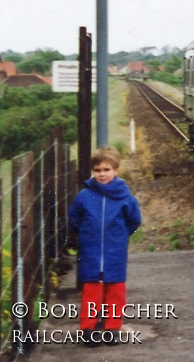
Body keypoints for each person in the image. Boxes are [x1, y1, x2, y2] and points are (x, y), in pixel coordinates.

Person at [69, 147, 141, 347]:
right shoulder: (84, 196)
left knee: (115, 290)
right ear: (93, 171)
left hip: (114, 251)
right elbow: (74, 218)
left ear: (116, 170)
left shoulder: (125, 197)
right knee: (92, 289)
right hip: (90, 250)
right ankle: (88, 328)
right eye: (98, 170)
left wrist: (119, 236)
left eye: (106, 169)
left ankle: (112, 328)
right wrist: (84, 235)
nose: (102, 174)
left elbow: (134, 220)